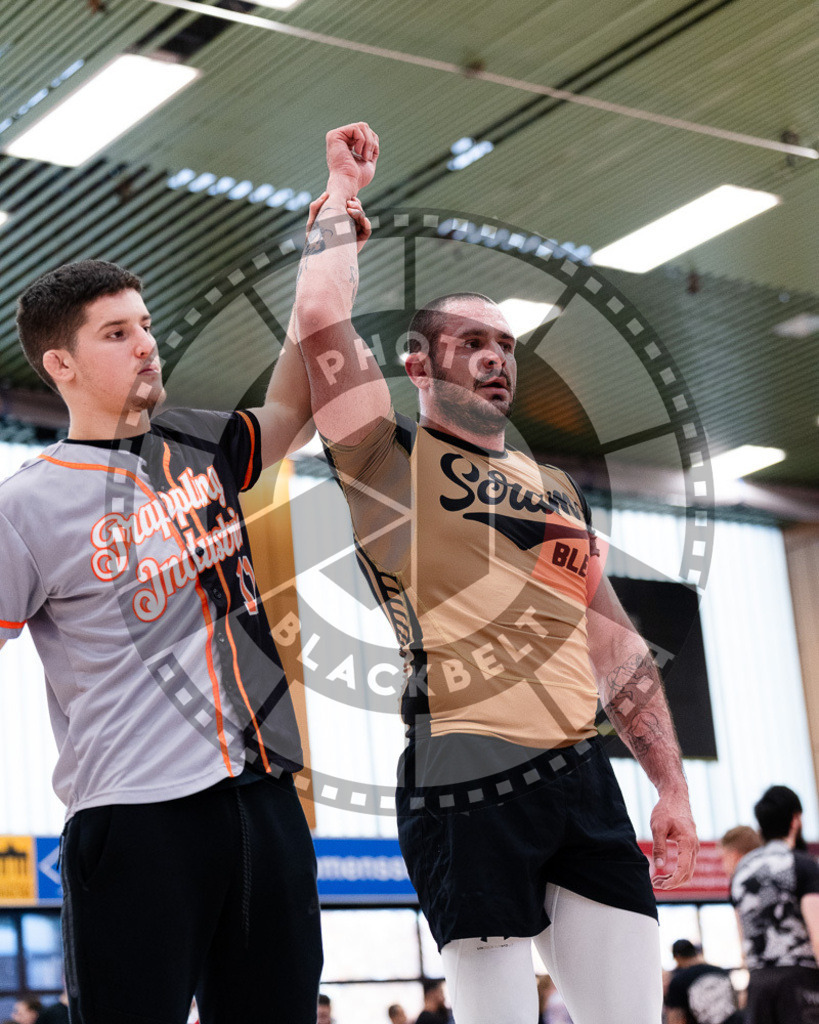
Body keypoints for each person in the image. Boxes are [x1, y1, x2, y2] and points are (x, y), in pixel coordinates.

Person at [293, 122, 698, 1024]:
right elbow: (321, 322)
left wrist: (667, 785)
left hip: (581, 776)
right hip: (461, 773)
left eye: (506, 346)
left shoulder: (552, 487)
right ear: (418, 365)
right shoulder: (380, 459)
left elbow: (611, 639)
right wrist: (335, 204)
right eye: (471, 341)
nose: (495, 358)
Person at [0, 256, 322, 1022]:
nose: (147, 343)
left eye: (145, 325)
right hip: (136, 819)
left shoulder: (197, 445)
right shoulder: (27, 504)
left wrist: (331, 241)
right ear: (61, 363)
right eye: (117, 333)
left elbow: (293, 407)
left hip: (265, 795)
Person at [731, 785, 819, 1023]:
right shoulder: (802, 864)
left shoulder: (742, 870)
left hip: (759, 983)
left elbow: (743, 935)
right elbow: (817, 930)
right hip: (799, 981)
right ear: (796, 819)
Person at [663, 939, 741, 1024]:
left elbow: (675, 1018)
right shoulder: (720, 972)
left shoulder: (678, 981)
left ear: (677, 958)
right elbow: (736, 1002)